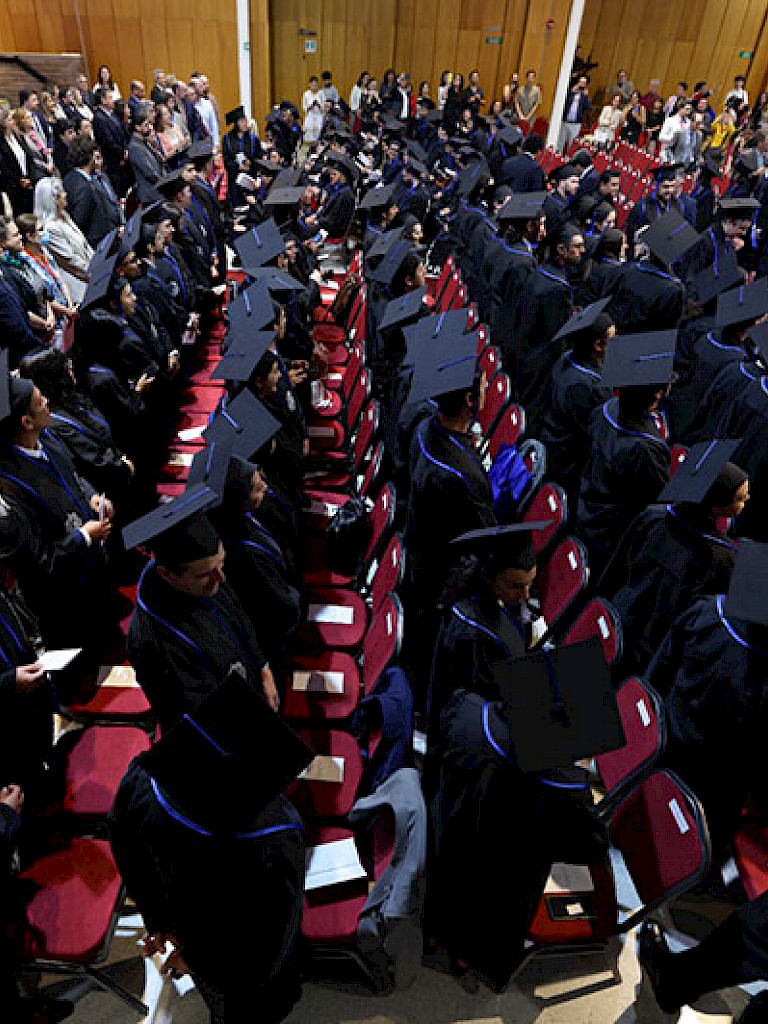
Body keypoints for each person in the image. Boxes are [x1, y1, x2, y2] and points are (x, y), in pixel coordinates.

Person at [109, 671, 310, 1024]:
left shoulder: (144, 783)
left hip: (184, 923)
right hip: (236, 963)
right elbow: (268, 942)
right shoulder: (278, 834)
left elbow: (127, 848)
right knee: (247, 1009)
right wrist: (200, 960)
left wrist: (157, 919)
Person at [125, 500, 278, 733]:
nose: (221, 579)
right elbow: (191, 711)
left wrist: (262, 667)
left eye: (221, 564)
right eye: (205, 574)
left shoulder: (210, 578)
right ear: (167, 573)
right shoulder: (151, 640)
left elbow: (239, 617)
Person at [576, 331, 674, 573]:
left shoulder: (606, 410)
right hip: (615, 536)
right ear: (656, 395)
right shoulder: (644, 448)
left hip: (590, 511)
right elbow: (658, 501)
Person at [540, 303, 615, 506]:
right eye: (613, 338)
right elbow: (593, 432)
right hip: (569, 464)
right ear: (598, 345)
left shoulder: (567, 359)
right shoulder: (585, 385)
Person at [32, 176, 93, 305]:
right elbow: (71, 261)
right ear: (54, 199)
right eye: (62, 192)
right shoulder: (50, 228)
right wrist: (96, 274)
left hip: (91, 276)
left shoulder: (64, 216)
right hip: (79, 289)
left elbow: (84, 244)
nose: (66, 195)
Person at [63, 135, 123, 248]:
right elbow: (80, 222)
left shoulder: (71, 177)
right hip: (98, 245)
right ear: (90, 157)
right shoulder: (83, 187)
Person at [0, 107, 37, 216]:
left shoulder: (18, 136)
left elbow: (28, 157)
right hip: (14, 186)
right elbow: (4, 167)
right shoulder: (2, 143)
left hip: (28, 182)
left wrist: (30, 177)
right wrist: (19, 180)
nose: (13, 122)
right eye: (10, 119)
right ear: (3, 123)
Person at [92, 86, 128, 196]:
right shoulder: (99, 118)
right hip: (113, 161)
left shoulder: (112, 114)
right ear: (103, 100)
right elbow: (108, 142)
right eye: (110, 98)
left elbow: (122, 133)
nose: (113, 100)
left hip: (122, 158)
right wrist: (122, 154)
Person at [128, 102, 165, 205]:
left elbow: (161, 160)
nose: (149, 127)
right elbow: (150, 173)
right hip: (150, 197)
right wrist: (166, 183)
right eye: (146, 125)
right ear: (137, 127)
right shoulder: (134, 147)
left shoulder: (145, 142)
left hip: (158, 193)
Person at [558, 76, 590, 153]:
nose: (581, 85)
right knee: (560, 142)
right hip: (565, 122)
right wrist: (571, 92)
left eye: (584, 83)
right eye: (580, 82)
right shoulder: (571, 93)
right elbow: (563, 102)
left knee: (572, 144)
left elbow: (587, 107)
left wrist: (586, 96)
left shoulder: (584, 96)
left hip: (575, 124)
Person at [302, 77, 324, 144]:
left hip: (319, 116)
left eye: (315, 85)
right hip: (310, 116)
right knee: (308, 134)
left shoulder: (321, 93)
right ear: (309, 85)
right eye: (312, 85)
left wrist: (319, 105)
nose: (314, 87)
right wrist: (311, 106)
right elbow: (304, 107)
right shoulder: (306, 94)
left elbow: (324, 107)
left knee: (318, 134)